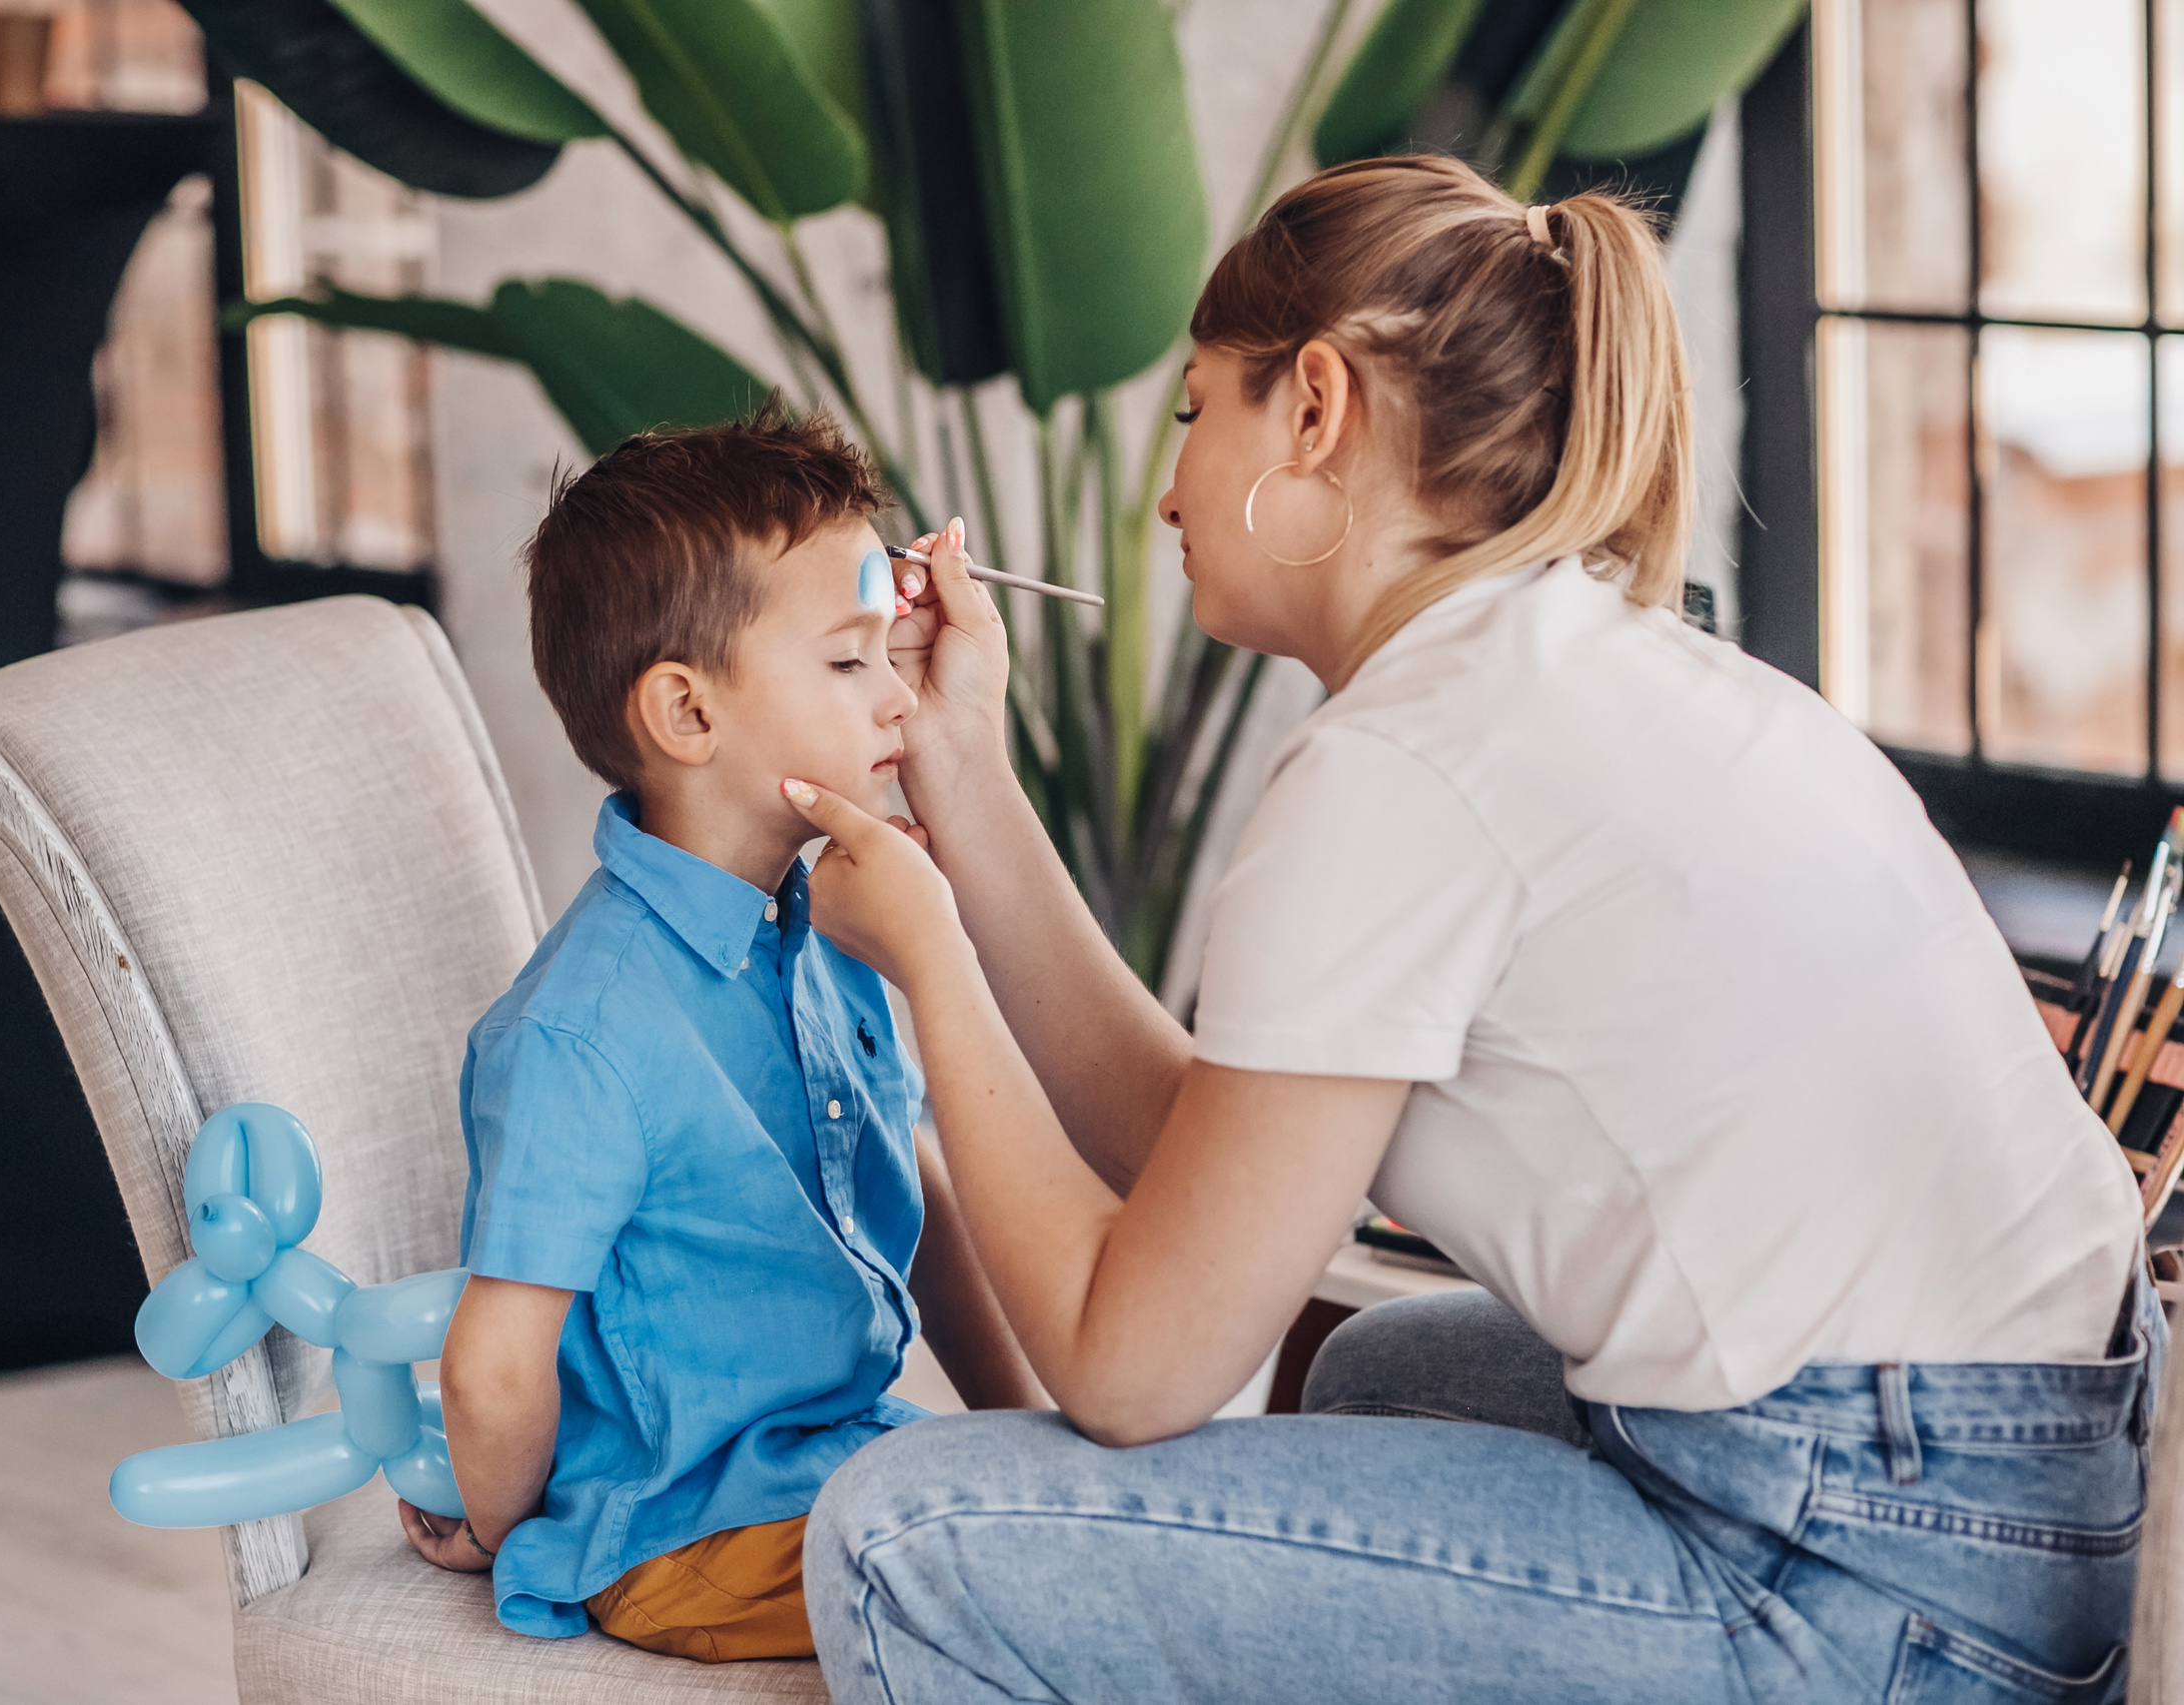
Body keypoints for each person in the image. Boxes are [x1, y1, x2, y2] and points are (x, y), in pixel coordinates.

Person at [778, 157, 2154, 1703]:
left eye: (1192, 416)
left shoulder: (1400, 768)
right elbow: (1206, 1170)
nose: (1167, 489)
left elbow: (1125, 1367)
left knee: (904, 1534)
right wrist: (962, 783)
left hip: (1871, 1590)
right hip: (2020, 1494)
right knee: (1384, 1369)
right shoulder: (1565, 662)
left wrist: (933, 965)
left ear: (1313, 407)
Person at [396, 410, 1041, 1661]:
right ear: (687, 716)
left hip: (845, 1473)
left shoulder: (835, 921)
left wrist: (1030, 1437)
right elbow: (490, 1368)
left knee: (1120, 1557)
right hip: (684, 1534)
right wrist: (506, 1527)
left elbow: (912, 1190)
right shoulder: (583, 1033)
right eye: (850, 663)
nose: (901, 694)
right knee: (1067, 1611)